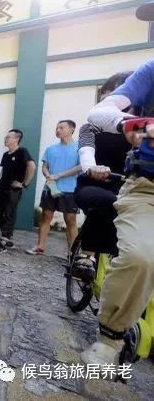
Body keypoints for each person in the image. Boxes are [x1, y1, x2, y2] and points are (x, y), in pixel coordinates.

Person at [78, 1, 154, 365]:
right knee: (133, 247)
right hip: (124, 183)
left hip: (123, 180)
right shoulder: (104, 122)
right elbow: (88, 148)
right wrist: (93, 166)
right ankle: (92, 267)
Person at [71, 72, 135, 280]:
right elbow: (85, 151)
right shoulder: (91, 127)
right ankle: (86, 255)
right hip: (95, 184)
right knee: (108, 202)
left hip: (131, 189)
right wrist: (92, 167)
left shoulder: (140, 130)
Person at [26, 121, 81, 255]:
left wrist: (59, 175)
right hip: (50, 188)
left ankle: (73, 253)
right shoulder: (51, 149)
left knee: (70, 220)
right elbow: (45, 166)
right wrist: (48, 175)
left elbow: (80, 167)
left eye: (61, 127)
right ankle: (40, 246)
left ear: (72, 129)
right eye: (57, 128)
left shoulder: (80, 148)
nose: (58, 130)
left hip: (70, 189)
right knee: (45, 217)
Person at [0, 129, 37, 254]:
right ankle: (7, 239)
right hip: (2, 187)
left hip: (13, 189)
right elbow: (3, 170)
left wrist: (24, 184)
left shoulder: (22, 151)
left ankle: (4, 242)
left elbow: (32, 166)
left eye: (8, 137)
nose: (5, 139)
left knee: (9, 213)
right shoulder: (6, 155)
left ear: (16, 138)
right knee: (2, 214)